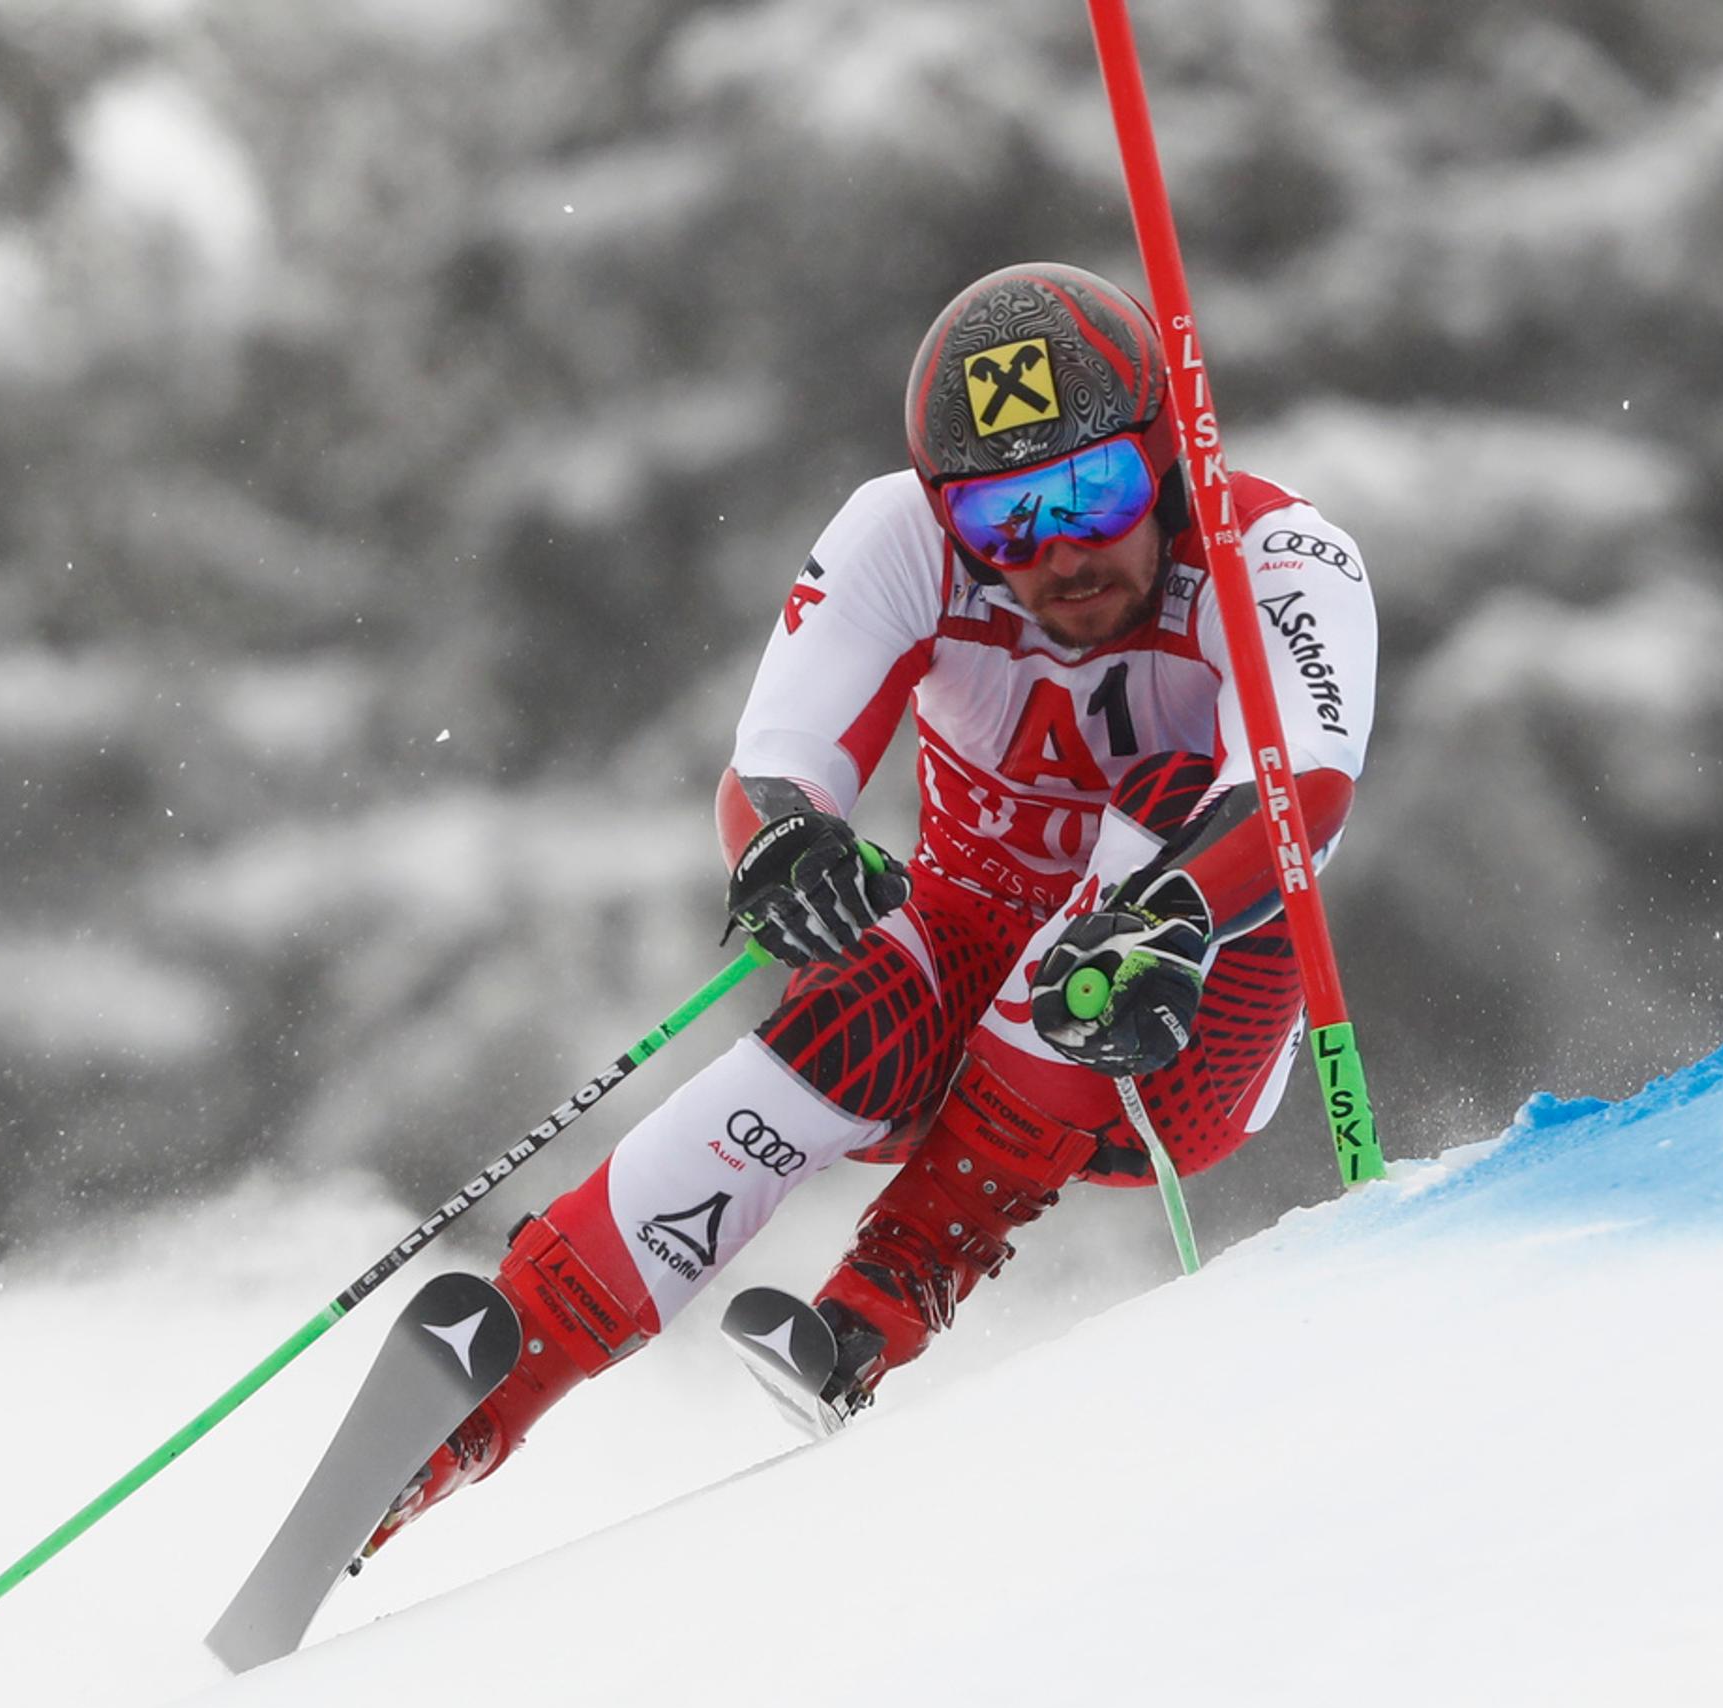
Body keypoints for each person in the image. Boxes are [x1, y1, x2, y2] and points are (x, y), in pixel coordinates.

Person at [366, 261, 1377, 1551]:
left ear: (1170, 455)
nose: (1058, 551)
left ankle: (890, 1294)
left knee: (1139, 874)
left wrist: (1170, 908)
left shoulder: (1276, 560)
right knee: (850, 989)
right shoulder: (899, 538)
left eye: (1095, 492)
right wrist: (787, 844)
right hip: (967, 978)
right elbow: (777, 758)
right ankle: (491, 1386)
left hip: (1178, 1035)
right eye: (1003, 520)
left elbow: (1302, 791)